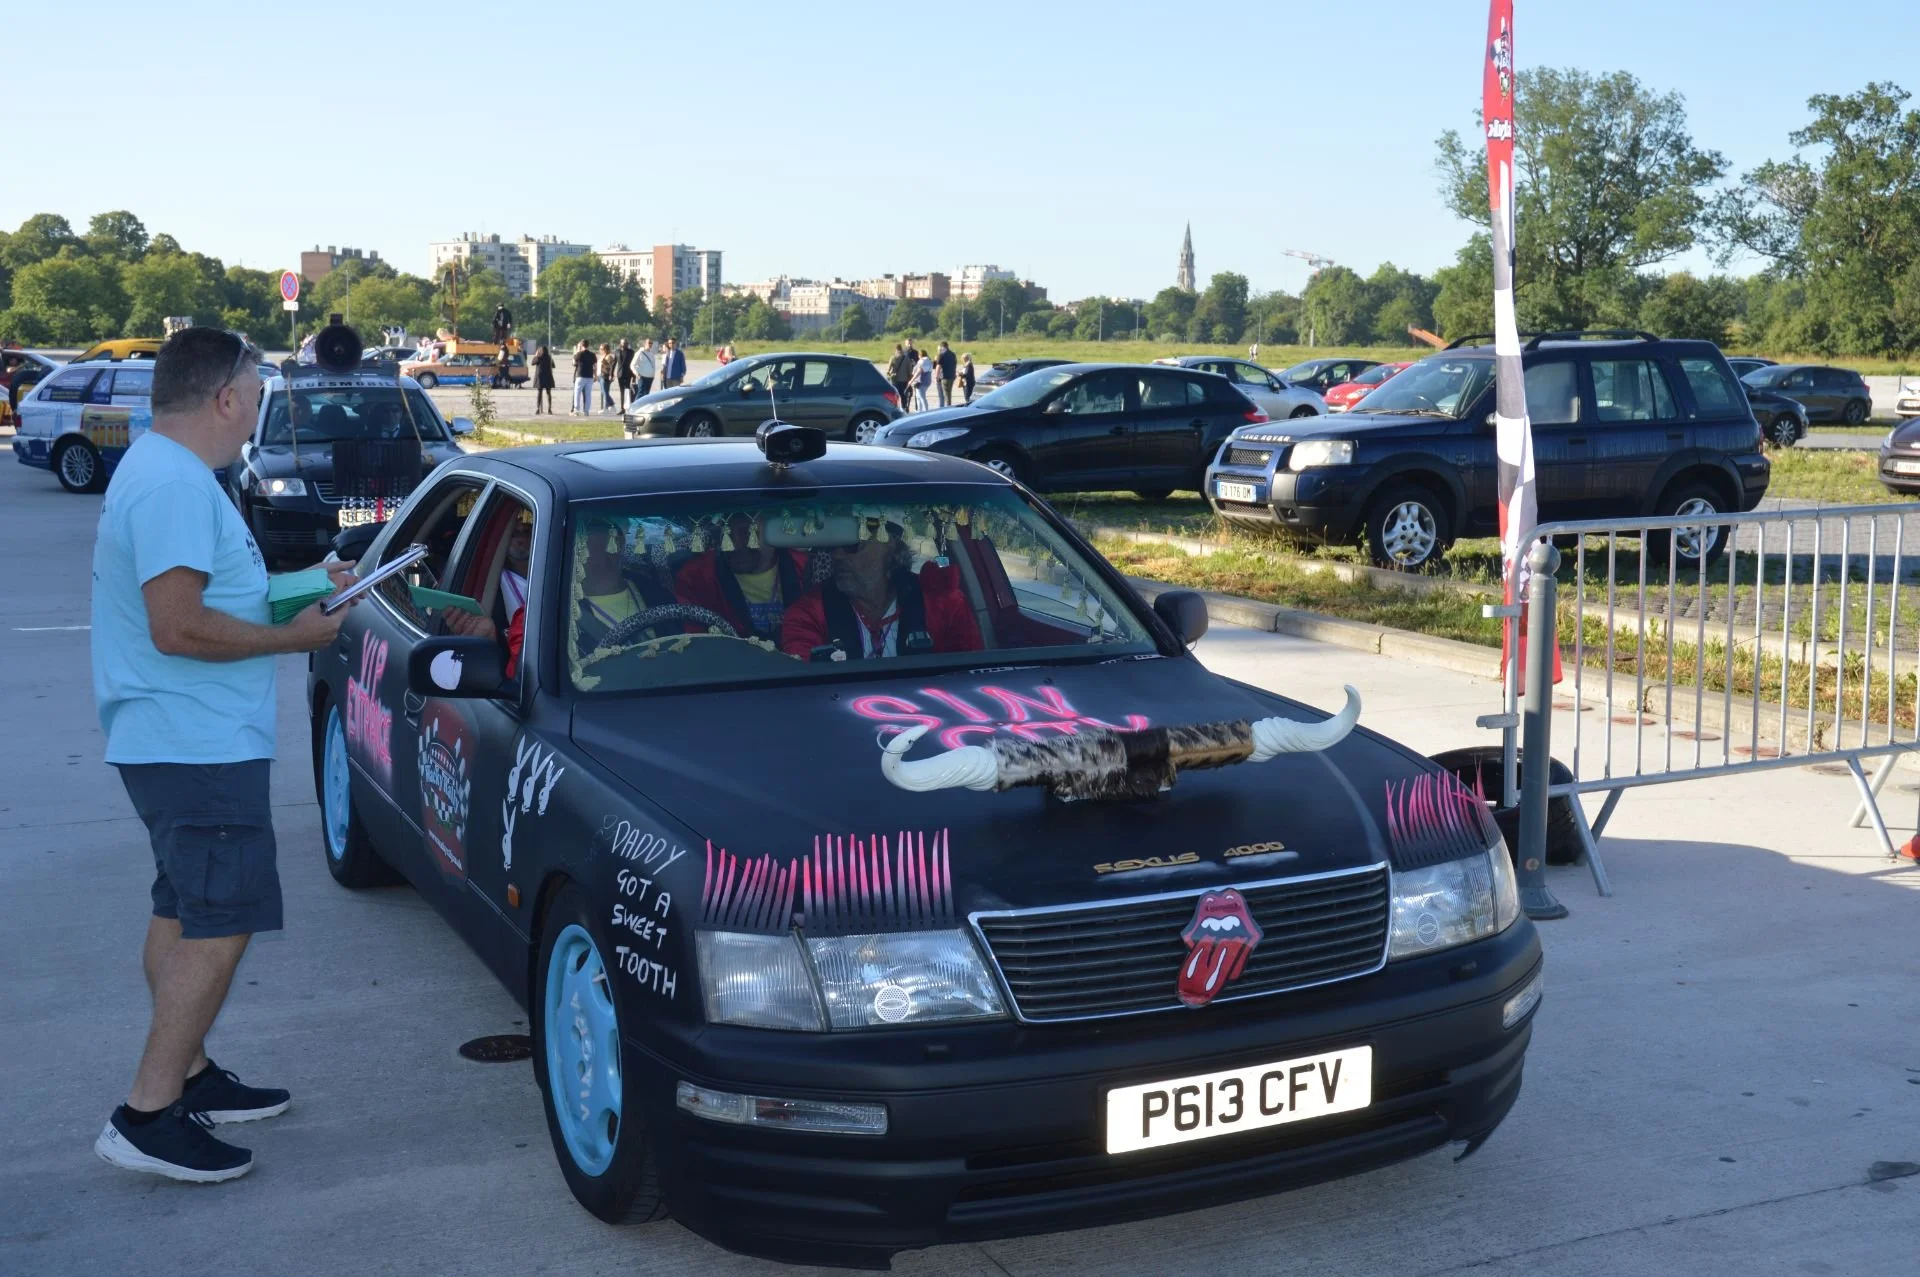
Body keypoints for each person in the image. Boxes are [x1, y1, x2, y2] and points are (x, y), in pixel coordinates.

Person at [89, 328, 356, 1183]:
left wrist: (308, 582)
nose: (257, 408)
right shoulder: (172, 484)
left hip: (179, 739)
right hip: (192, 741)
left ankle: (191, 1073)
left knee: (182, 911)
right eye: (255, 390)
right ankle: (147, 1112)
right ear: (226, 399)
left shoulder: (167, 471)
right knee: (222, 916)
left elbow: (211, 597)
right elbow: (177, 625)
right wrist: (294, 636)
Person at [781, 519, 982, 660]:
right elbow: (806, 686)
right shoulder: (807, 614)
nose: (838, 556)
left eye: (852, 544)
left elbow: (971, 675)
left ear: (891, 545)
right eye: (833, 546)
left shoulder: (943, 603)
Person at [673, 513, 813, 646]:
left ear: (774, 530)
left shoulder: (807, 569)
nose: (735, 546)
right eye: (727, 534)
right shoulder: (696, 577)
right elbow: (693, 644)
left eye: (747, 533)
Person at [884, 342, 913, 409]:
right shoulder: (906, 358)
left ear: (896, 349)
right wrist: (909, 379)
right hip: (904, 380)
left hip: (895, 380)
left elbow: (888, 370)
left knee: (895, 395)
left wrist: (889, 374)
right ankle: (904, 407)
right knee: (903, 395)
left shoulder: (893, 357)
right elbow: (910, 370)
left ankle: (895, 407)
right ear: (901, 348)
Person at [571, 340, 595, 415]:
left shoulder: (579, 354)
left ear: (581, 345)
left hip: (580, 375)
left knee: (577, 394)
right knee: (588, 394)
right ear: (588, 345)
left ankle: (576, 410)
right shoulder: (592, 354)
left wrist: (576, 352)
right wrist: (595, 375)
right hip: (590, 376)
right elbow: (594, 366)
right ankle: (586, 411)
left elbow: (574, 363)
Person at [531, 344, 556, 414]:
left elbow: (532, 363)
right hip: (548, 376)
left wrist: (536, 355)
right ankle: (549, 409)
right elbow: (553, 366)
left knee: (539, 393)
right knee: (548, 393)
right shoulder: (549, 357)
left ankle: (537, 409)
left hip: (540, 376)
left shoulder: (539, 357)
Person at [935, 341, 957, 407]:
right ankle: (948, 405)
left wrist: (936, 376)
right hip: (952, 376)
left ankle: (948, 407)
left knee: (945, 394)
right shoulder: (953, 354)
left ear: (942, 347)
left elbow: (938, 366)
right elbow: (954, 364)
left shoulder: (941, 354)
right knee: (949, 392)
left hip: (944, 376)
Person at [615, 338, 635, 411]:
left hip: (628, 374)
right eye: (623, 343)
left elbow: (633, 364)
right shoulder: (617, 352)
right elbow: (614, 363)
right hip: (620, 374)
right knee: (622, 391)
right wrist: (611, 373)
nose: (624, 344)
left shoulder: (631, 352)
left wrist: (634, 376)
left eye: (625, 343)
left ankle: (627, 408)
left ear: (627, 344)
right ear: (620, 343)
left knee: (627, 390)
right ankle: (622, 408)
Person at [913, 347, 934, 412]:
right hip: (927, 380)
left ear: (920, 355)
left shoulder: (922, 361)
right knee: (918, 396)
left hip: (921, 381)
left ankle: (924, 411)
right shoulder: (929, 360)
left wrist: (911, 380)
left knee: (921, 396)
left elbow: (919, 371)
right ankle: (920, 410)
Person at [597, 343, 616, 412]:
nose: (600, 350)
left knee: (605, 392)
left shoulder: (609, 357)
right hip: (600, 375)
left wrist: (611, 375)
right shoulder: (602, 356)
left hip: (605, 376)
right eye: (600, 349)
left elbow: (611, 367)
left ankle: (610, 406)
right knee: (603, 392)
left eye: (602, 349)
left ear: (606, 349)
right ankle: (607, 407)